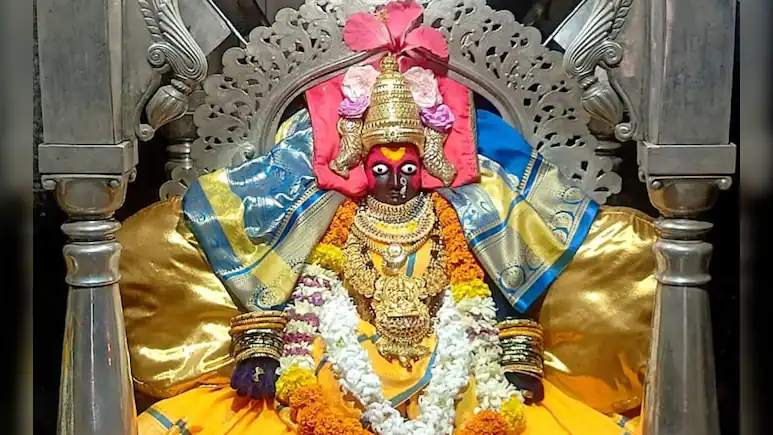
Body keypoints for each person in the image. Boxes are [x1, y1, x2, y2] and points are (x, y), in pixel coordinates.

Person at [118, 2, 656, 433]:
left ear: (427, 162)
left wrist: (515, 357)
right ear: (360, 161)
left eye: (408, 166)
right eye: (381, 165)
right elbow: (285, 290)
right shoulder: (329, 219)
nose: (396, 179)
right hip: (334, 360)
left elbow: (496, 288)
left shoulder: (454, 213)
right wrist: (261, 352)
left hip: (456, 357)